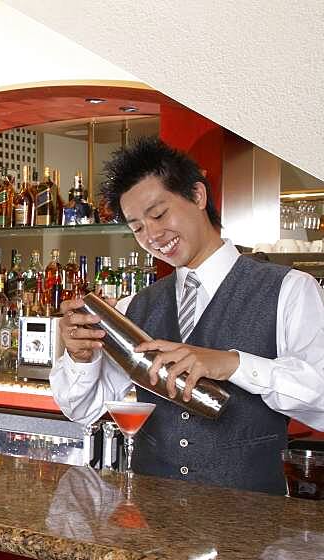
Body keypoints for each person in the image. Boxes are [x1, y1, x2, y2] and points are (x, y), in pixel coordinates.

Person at [52, 136, 324, 494]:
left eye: (159, 214)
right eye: (137, 227)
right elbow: (82, 410)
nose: (152, 235)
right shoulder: (136, 307)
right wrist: (80, 357)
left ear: (197, 196)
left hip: (251, 527)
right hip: (152, 519)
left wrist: (233, 364)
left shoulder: (290, 288)